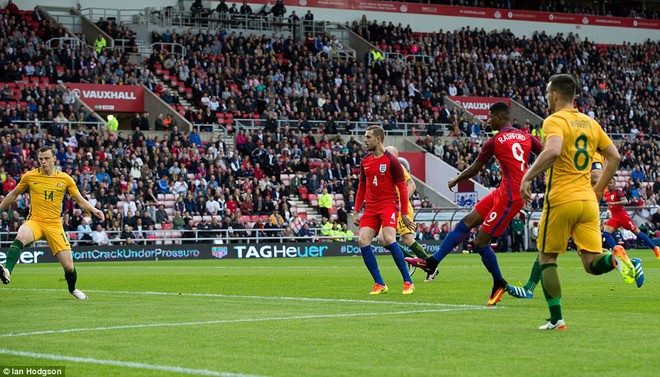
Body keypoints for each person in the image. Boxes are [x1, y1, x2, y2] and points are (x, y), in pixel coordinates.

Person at [518, 74, 640, 330]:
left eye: (547, 93)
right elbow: (614, 157)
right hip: (588, 201)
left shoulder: (554, 120)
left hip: (562, 198)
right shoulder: (589, 122)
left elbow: (552, 151)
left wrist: (527, 176)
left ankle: (556, 319)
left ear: (555, 95)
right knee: (592, 264)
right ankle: (616, 259)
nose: (546, 98)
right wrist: (598, 189)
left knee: (547, 259)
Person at [407, 102, 543, 305]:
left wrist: (455, 180)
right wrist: (530, 177)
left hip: (510, 197)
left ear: (499, 116)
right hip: (504, 190)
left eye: (489, 117)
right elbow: (547, 154)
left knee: (480, 242)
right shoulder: (527, 137)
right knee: (466, 221)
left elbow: (474, 169)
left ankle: (499, 283)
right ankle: (432, 261)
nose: (487, 120)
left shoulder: (495, 141)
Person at [0, 146, 105, 299]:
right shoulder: (29, 176)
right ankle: (7, 270)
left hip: (54, 225)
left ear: (54, 159)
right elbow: (14, 194)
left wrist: (94, 209)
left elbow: (80, 201)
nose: (43, 162)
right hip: (35, 222)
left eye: (47, 158)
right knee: (21, 235)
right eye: (41, 159)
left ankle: (72, 289)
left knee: (69, 267)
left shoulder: (65, 179)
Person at [352, 126, 415, 295]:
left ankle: (408, 281)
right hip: (371, 208)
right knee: (363, 241)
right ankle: (380, 283)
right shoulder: (365, 161)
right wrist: (356, 210)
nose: (365, 140)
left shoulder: (391, 161)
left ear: (378, 139)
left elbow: (402, 187)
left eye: (368, 137)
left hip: (388, 205)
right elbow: (362, 186)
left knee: (388, 238)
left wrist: (403, 213)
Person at [378, 146, 437, 282]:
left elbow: (412, 185)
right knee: (382, 240)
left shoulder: (398, 167)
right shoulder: (382, 168)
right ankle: (409, 260)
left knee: (408, 240)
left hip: (401, 209)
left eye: (387, 153)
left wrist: (400, 203)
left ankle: (432, 268)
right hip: (389, 209)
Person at [602, 178, 659, 258]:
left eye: (611, 183)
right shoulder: (607, 194)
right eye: (608, 183)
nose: (609, 184)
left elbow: (625, 201)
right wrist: (608, 212)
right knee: (606, 233)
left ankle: (655, 248)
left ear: (614, 184)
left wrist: (615, 203)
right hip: (614, 218)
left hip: (623, 217)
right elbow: (610, 205)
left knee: (638, 233)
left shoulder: (617, 192)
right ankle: (617, 252)